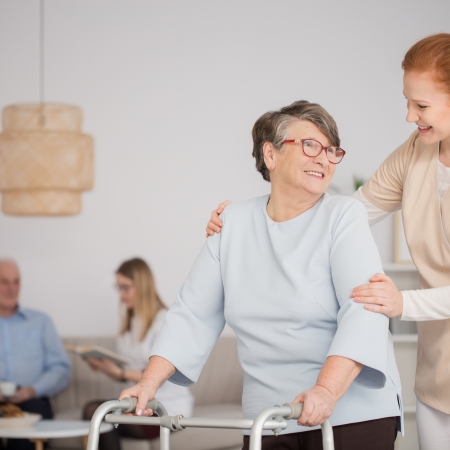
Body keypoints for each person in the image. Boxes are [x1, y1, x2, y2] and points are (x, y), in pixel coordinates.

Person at [206, 34, 450, 450]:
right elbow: (341, 216)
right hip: (440, 371)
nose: (409, 115)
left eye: (421, 105)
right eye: (408, 101)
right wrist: (251, 222)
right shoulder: (416, 153)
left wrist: (403, 303)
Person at [120, 101, 402, 450]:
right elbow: (191, 313)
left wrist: (326, 391)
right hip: (269, 418)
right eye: (310, 146)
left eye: (331, 150)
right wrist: (148, 384)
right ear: (271, 155)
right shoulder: (232, 223)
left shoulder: (343, 215)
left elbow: (364, 309)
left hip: (350, 412)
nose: (324, 159)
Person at [83, 258, 193, 450]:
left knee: (96, 413)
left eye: (126, 287)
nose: (121, 294)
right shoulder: (129, 326)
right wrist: (105, 368)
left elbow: (160, 373)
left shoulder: (164, 322)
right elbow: (130, 373)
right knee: (96, 413)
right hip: (140, 403)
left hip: (164, 408)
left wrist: (120, 373)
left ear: (141, 286)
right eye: (118, 288)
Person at [0, 259, 71, 450]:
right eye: (4, 281)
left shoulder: (41, 321)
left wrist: (32, 390)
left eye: (16, 281)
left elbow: (61, 369)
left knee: (31, 423)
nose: (11, 288)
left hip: (31, 399)